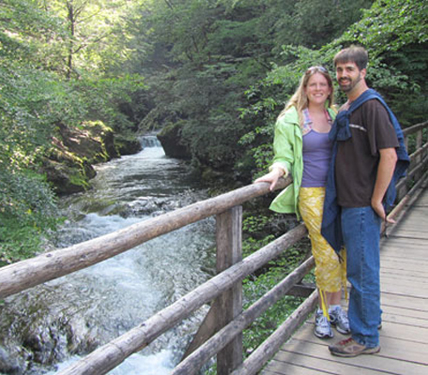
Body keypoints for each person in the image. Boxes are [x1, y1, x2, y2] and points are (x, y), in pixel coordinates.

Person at [321, 46, 409, 357]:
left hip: (360, 203)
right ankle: (371, 321)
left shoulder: (372, 108)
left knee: (361, 273)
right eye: (340, 70)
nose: (343, 75)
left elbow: (390, 153)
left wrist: (376, 200)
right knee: (362, 269)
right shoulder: (349, 107)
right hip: (350, 202)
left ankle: (366, 338)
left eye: (349, 69)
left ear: (363, 71)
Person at [255, 66, 350, 339]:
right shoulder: (290, 119)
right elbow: (283, 156)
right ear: (305, 88)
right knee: (326, 252)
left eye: (323, 84)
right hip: (310, 191)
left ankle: (335, 308)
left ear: (330, 88)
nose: (318, 89)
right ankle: (323, 309)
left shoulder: (335, 115)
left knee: (340, 249)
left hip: (338, 190)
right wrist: (277, 172)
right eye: (313, 85)